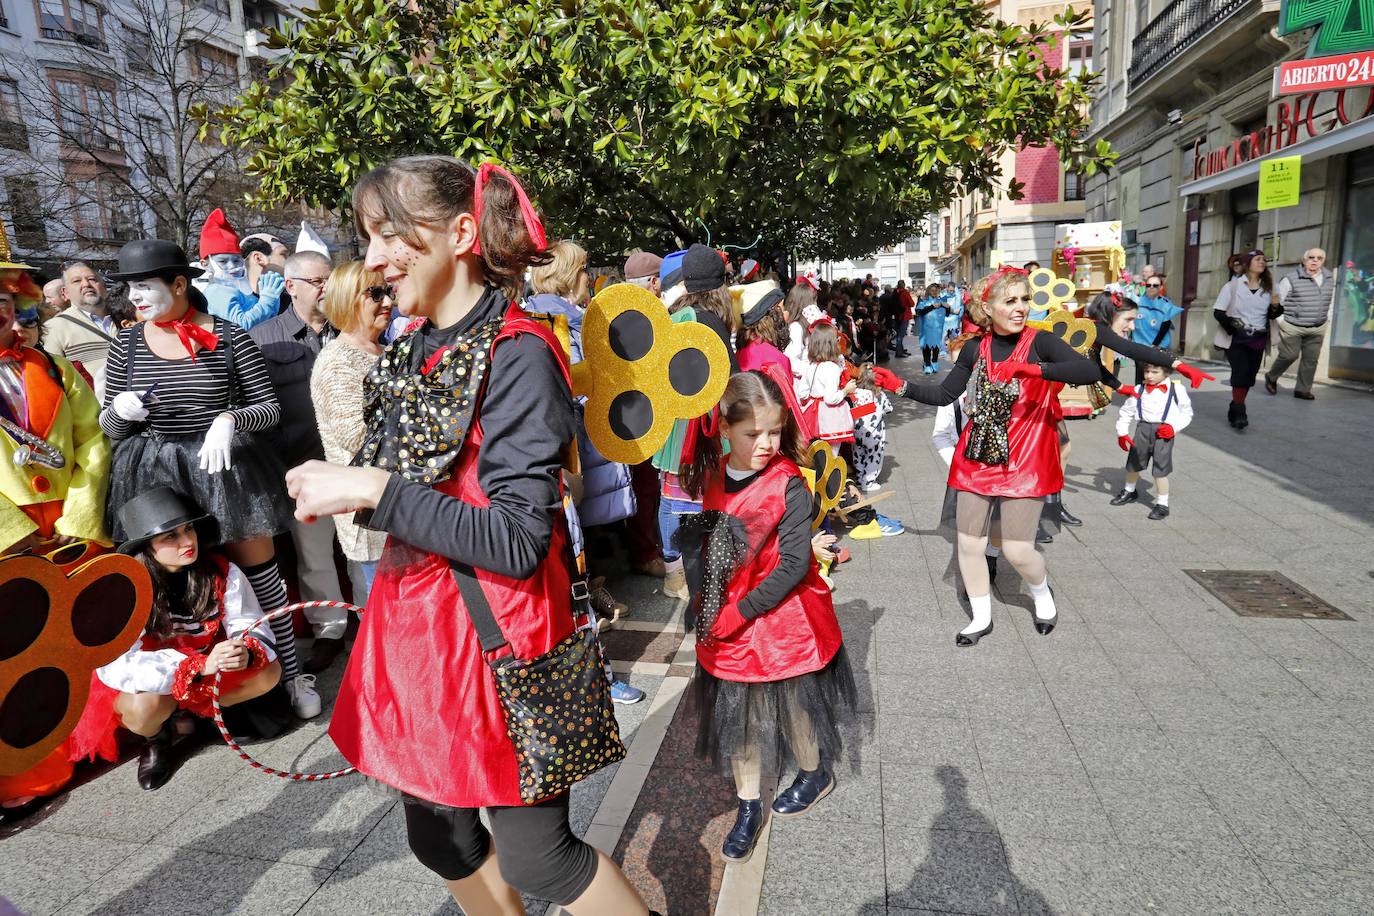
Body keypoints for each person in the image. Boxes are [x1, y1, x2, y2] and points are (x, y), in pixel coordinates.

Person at [283, 155, 651, 915]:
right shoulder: (415, 346)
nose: (375, 258)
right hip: (416, 635)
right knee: (438, 839)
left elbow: (518, 539)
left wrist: (370, 489)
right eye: (367, 236)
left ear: (459, 233)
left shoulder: (519, 354)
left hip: (500, 640)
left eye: (390, 235)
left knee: (542, 862)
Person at [98, 239, 319, 719]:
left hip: (225, 469)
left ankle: (289, 674)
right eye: (130, 288)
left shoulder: (231, 336)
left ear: (179, 285)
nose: (134, 298)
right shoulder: (126, 344)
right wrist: (118, 412)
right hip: (155, 470)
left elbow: (269, 408)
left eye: (142, 286)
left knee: (261, 575)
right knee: (167, 581)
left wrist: (229, 420)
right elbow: (111, 427)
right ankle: (179, 693)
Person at [677, 370, 854, 864]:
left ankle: (814, 771)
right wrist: (709, 601)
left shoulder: (788, 483)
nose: (766, 443)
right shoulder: (712, 474)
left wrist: (740, 612)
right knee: (741, 717)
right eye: (753, 434)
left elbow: (794, 564)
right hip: (728, 613)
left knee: (795, 703)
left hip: (780, 614)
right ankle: (748, 805)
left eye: (774, 431)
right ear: (725, 428)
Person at [899, 267, 1102, 645]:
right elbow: (945, 395)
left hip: (1026, 459)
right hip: (978, 456)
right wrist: (900, 386)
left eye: (1025, 299)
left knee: (1018, 549)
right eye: (1010, 301)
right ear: (986, 307)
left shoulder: (1041, 342)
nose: (1021, 308)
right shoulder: (976, 348)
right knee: (970, 544)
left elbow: (1090, 369)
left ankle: (1041, 594)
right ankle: (980, 617)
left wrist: (1035, 369)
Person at [0, 223, 111, 821]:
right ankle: (18, 773)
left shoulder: (49, 365)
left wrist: (79, 513)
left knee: (66, 641)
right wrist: (11, 535)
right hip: (8, 540)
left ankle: (68, 752)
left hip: (65, 530)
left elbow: (92, 438)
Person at [69, 487, 284, 790]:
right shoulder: (123, 592)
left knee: (268, 673)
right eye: (171, 536)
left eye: (189, 529)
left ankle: (195, 715)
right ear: (147, 547)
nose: (188, 542)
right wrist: (193, 668)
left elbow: (247, 620)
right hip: (157, 681)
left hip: (205, 673)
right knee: (143, 711)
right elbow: (118, 665)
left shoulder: (221, 571)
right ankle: (157, 738)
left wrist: (244, 649)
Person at [527, 241, 638, 634]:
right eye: (583, 269)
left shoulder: (554, 316)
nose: (588, 277)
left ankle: (595, 594)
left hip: (579, 435)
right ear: (569, 276)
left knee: (584, 524)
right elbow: (577, 384)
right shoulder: (557, 322)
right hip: (577, 438)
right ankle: (591, 599)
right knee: (580, 524)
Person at [250, 249, 350, 673]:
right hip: (302, 467)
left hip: (351, 460)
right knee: (315, 555)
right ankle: (330, 630)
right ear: (290, 286)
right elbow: (256, 407)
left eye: (330, 279)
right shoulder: (263, 337)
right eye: (318, 281)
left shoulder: (348, 328)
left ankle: (377, 617)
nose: (326, 288)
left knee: (365, 547)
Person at [312, 261, 392, 606]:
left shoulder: (383, 351)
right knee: (394, 626)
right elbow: (357, 438)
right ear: (347, 300)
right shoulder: (337, 361)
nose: (388, 301)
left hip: (400, 513)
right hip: (373, 523)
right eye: (375, 293)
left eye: (388, 291)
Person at [1111, 363, 1193, 520]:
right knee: (1134, 462)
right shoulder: (1138, 389)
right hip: (1142, 429)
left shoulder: (1177, 390)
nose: (1149, 375)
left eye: (1155, 372)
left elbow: (1186, 413)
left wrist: (1173, 427)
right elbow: (1126, 412)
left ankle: (1163, 503)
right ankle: (1129, 490)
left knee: (1160, 469)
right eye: (1147, 371)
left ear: (1167, 372)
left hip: (1164, 432)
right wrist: (1122, 432)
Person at [1213, 249, 1281, 430]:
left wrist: (1275, 306)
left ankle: (1235, 405)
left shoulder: (1271, 286)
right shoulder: (1232, 287)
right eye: (1257, 259)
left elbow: (1275, 313)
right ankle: (1240, 412)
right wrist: (1233, 323)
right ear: (1247, 264)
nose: (1262, 262)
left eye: (1263, 260)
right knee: (1240, 373)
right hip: (1237, 338)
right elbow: (1218, 312)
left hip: (1259, 337)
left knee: (1250, 376)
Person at [199, 209, 287, 330]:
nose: (232, 266)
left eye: (236, 260)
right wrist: (268, 299)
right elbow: (241, 326)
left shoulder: (239, 288)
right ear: (205, 264)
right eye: (223, 261)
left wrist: (273, 298)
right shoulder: (216, 291)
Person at [1264, 247, 1334, 400]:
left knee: (1311, 360)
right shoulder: (1290, 278)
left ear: (1323, 261)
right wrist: (1282, 322)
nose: (1315, 260)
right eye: (1311, 257)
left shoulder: (1329, 278)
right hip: (1293, 326)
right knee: (1289, 355)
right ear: (1304, 260)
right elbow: (1277, 303)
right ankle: (1271, 376)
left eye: (1319, 258)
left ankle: (1302, 389)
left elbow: (1330, 300)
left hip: (1318, 327)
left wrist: (1327, 318)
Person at [44, 261, 117, 399]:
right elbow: (53, 382)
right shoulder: (53, 328)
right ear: (65, 293)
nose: (86, 284)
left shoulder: (126, 319)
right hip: (94, 416)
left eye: (92, 279)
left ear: (104, 286)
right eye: (76, 281)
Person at [793, 320, 855, 451]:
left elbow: (802, 394)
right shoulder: (832, 368)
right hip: (830, 417)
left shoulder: (810, 366)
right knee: (831, 455)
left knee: (816, 453)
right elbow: (830, 398)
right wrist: (845, 390)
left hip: (813, 415)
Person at [1130, 273, 1183, 384]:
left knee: (1157, 376)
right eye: (1149, 285)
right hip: (1140, 346)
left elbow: (1165, 326)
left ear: (1160, 287)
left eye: (1155, 285)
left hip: (1159, 346)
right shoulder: (1137, 301)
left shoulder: (1165, 304)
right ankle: (1139, 399)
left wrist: (1155, 344)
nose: (1151, 288)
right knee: (1141, 377)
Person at [850, 364, 892, 493]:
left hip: (856, 432)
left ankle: (859, 477)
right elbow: (889, 408)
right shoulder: (879, 395)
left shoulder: (854, 393)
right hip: (874, 434)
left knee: (858, 454)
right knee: (874, 456)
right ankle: (868, 482)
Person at [917, 282, 948, 374]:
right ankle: (927, 364)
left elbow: (947, 313)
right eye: (932, 290)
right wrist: (932, 306)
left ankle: (934, 362)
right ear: (929, 291)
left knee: (936, 346)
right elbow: (919, 312)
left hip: (937, 329)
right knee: (926, 347)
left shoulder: (942, 301)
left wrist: (948, 307)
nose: (934, 292)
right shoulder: (923, 301)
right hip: (926, 329)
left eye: (936, 290)